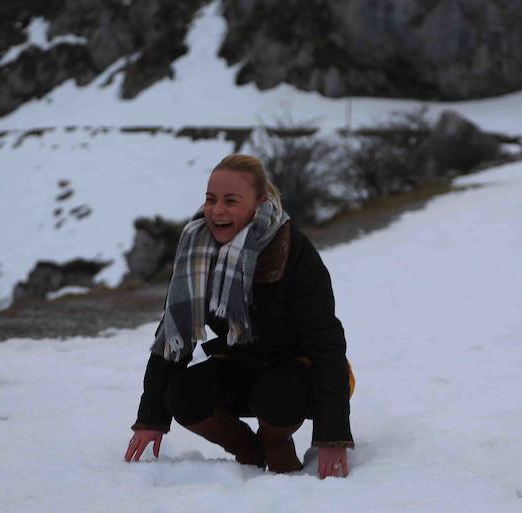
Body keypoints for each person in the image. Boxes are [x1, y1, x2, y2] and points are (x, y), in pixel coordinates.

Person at [124, 154, 354, 478]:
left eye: (231, 201)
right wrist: (151, 419)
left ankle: (276, 444)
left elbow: (326, 342)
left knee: (277, 395)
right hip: (240, 366)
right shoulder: (197, 250)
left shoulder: (291, 251)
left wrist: (333, 436)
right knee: (181, 393)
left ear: (259, 202)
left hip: (298, 375)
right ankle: (248, 450)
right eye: (211, 199)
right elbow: (173, 337)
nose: (217, 211)